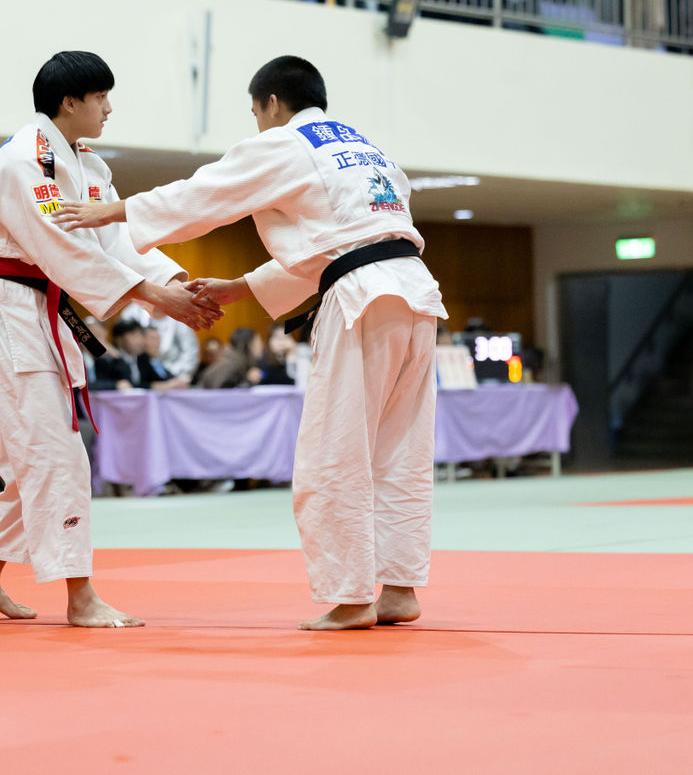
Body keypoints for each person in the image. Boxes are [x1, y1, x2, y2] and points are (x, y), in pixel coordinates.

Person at [55, 55, 448, 631]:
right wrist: (241, 287)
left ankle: (351, 597)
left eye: (256, 112)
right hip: (416, 294)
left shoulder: (287, 142)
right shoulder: (367, 151)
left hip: (363, 298)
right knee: (400, 451)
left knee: (334, 451)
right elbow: (345, 242)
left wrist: (113, 210)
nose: (258, 122)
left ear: (271, 104)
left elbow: (205, 193)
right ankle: (399, 589)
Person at [0, 51, 220, 628]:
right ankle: (80, 596)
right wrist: (154, 298)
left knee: (32, 454)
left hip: (42, 310)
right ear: (69, 102)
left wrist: (175, 284)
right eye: (101, 97)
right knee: (56, 452)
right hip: (11, 309)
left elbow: (114, 241)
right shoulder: (22, 161)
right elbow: (62, 249)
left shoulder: (86, 164)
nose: (108, 108)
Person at [118, 299, 200, 379]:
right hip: (139, 368)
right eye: (152, 339)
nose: (155, 343)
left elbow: (190, 350)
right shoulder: (131, 312)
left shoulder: (178, 313)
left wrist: (177, 374)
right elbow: (124, 343)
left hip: (174, 370)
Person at [195, 327, 263, 389]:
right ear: (249, 345)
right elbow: (220, 392)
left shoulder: (240, 361)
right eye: (258, 343)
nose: (261, 346)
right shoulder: (231, 363)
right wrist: (248, 382)